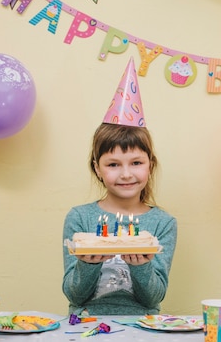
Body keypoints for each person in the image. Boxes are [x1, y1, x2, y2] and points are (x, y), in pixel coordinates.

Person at [62, 58, 177, 316]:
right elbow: (74, 294)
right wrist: (87, 265)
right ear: (97, 169)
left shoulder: (163, 223)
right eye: (113, 164)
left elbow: (153, 298)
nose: (126, 174)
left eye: (136, 162)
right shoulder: (79, 218)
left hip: (143, 326)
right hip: (86, 324)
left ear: (150, 165)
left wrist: (141, 266)